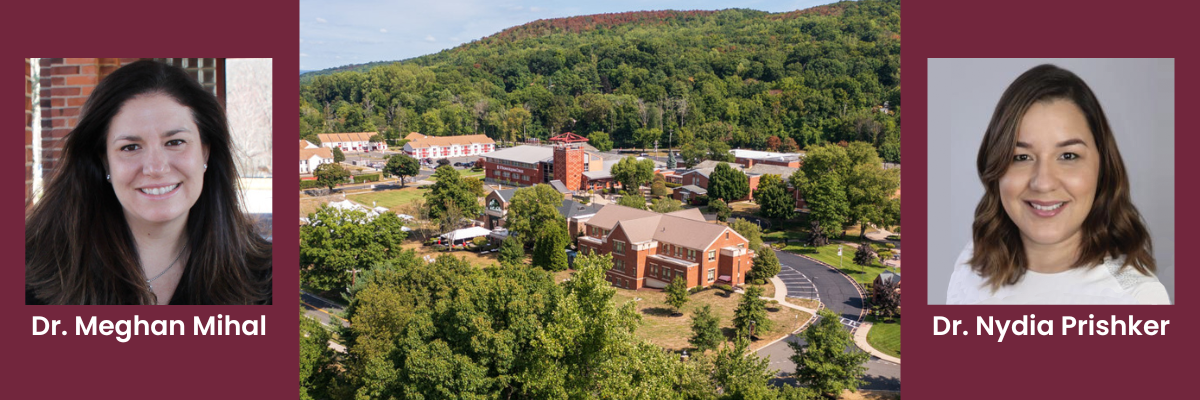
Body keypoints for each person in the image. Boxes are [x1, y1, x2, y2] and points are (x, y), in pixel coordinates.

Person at [25, 60, 272, 305]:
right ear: (105, 162)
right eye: (130, 147)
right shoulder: (31, 275)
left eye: (175, 142)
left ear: (205, 152)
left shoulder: (265, 278)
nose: (156, 168)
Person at [947, 64, 1169, 305]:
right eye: (1021, 157)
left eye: (1068, 156)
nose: (1043, 183)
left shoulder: (1138, 298)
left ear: (1103, 166)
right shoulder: (971, 267)